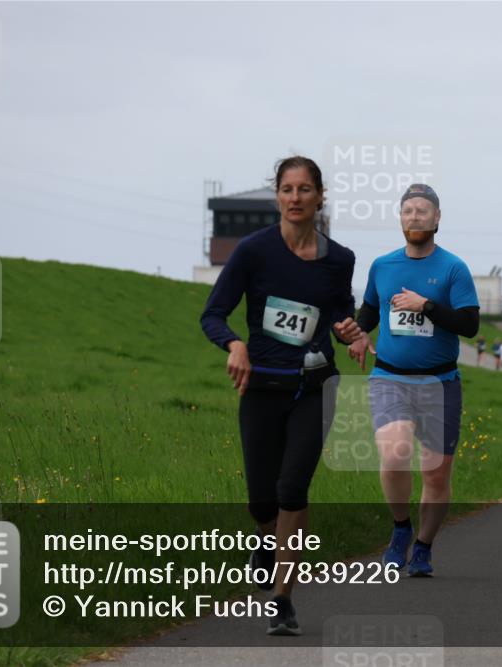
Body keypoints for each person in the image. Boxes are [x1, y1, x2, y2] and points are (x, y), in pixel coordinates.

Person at [200, 156, 360, 635]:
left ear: (319, 196)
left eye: (305, 189)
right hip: (261, 386)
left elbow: (340, 315)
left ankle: (284, 601)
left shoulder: (340, 259)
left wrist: (353, 333)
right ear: (278, 196)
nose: (295, 198)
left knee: (293, 488)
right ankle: (265, 540)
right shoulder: (253, 252)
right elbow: (213, 314)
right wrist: (235, 343)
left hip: (314, 385)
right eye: (287, 189)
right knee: (261, 500)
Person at [348, 183, 479, 578]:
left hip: (440, 383)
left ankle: (423, 547)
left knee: (436, 473)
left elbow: (470, 325)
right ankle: (401, 529)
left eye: (423, 211)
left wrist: (428, 307)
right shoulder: (383, 265)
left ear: (437, 218)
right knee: (394, 452)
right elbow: (370, 310)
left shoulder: (453, 268)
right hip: (390, 376)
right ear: (400, 217)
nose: (415, 217)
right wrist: (358, 333)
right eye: (408, 211)